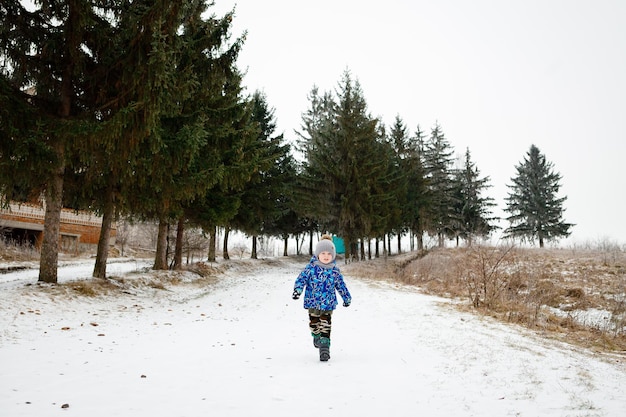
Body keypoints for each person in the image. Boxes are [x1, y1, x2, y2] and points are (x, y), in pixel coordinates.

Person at [292, 234, 351, 361]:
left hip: (328, 304)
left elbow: (341, 285)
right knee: (315, 325)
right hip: (312, 302)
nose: (326, 256)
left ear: (333, 255)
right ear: (318, 254)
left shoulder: (334, 270)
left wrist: (346, 298)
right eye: (323, 253)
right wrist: (297, 290)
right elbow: (301, 279)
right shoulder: (311, 268)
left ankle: (324, 348)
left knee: (326, 324)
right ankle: (316, 335)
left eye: (329, 254)